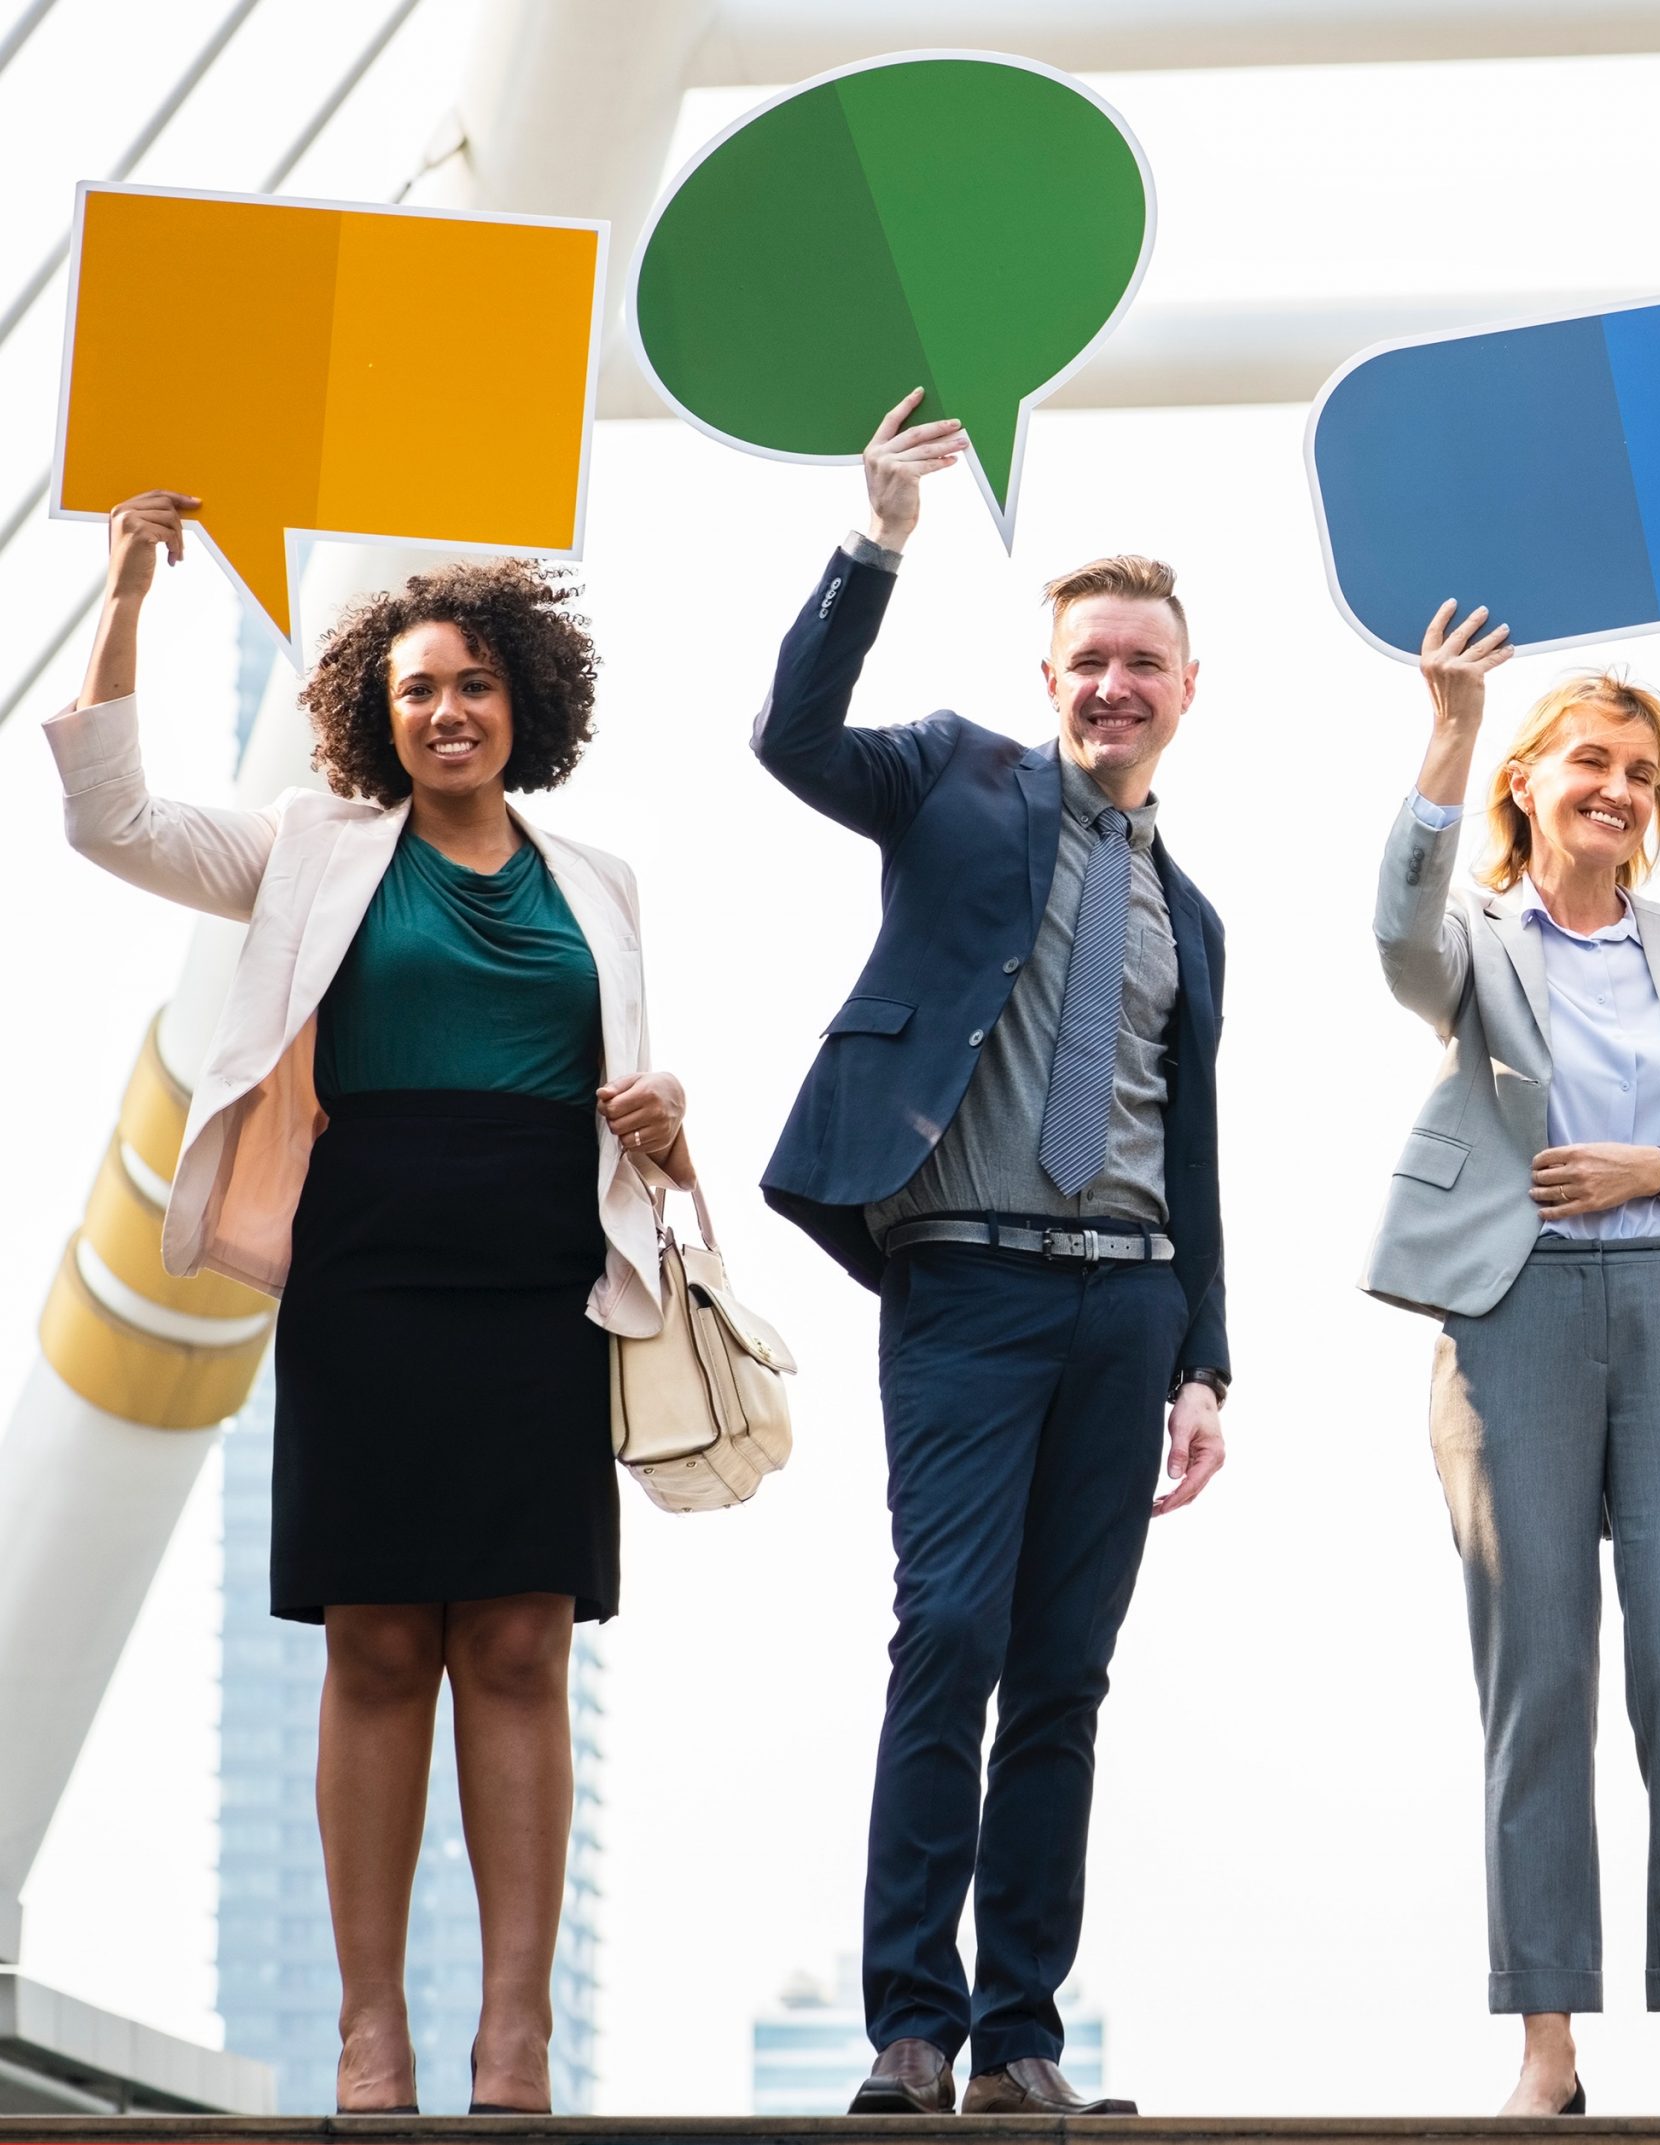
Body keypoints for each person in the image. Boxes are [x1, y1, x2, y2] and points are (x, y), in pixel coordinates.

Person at [45, 493, 690, 2115]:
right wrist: (123, 591)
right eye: (417, 688)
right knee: (382, 1636)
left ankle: (515, 2041)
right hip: (371, 1263)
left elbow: (626, 1096)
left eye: (474, 682)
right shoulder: (307, 850)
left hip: (542, 1272)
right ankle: (370, 2033)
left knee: (528, 1641)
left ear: (522, 702)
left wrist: (668, 1121)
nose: (448, 709)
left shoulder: (599, 880)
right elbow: (111, 820)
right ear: (374, 715)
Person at [748, 393, 1230, 2118]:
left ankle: (1024, 2036)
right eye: (1089, 658)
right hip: (966, 1282)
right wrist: (876, 538)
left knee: (1067, 1672)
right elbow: (793, 735)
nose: (1114, 684)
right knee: (947, 1629)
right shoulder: (950, 774)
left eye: (1144, 663)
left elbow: (1193, 1143)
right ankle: (911, 2022)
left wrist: (1206, 1358)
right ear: (1051, 682)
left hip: (1129, 1304)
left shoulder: (1198, 914)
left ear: (1187, 691)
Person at [1367, 601, 1660, 2117]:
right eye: (1587, 760)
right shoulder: (1475, 940)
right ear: (1531, 781)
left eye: (1638, 768)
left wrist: (1659, 1173)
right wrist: (1448, 724)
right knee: (1535, 1679)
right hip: (1514, 1321)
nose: (1614, 786)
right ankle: (1547, 2042)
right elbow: (1394, 934)